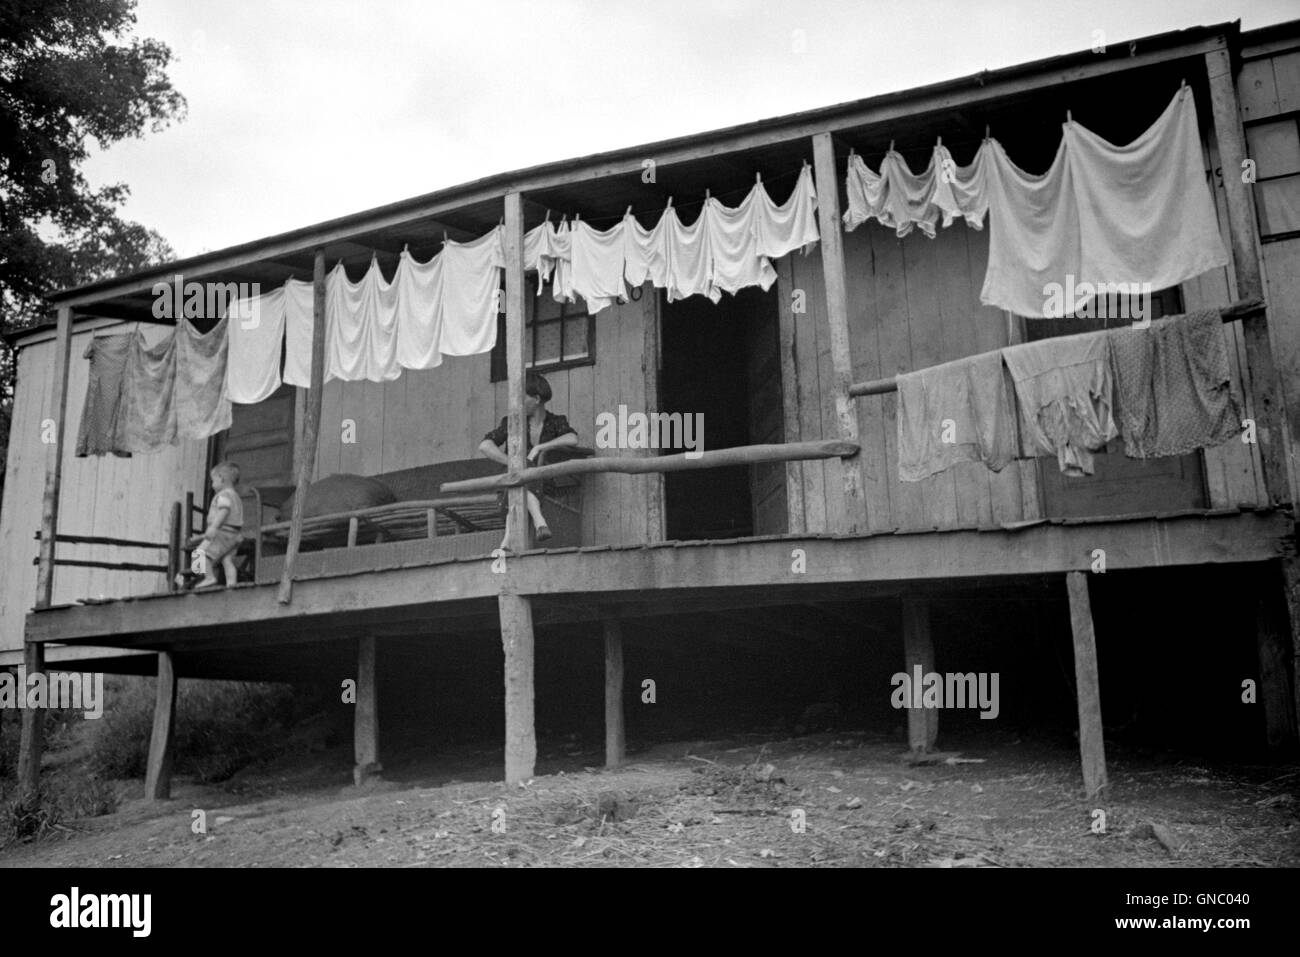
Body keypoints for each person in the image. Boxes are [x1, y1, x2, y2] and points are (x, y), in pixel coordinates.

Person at [478, 371, 579, 548]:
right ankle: (540, 522)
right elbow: (485, 445)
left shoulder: (556, 421)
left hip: (541, 482)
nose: (518, 402)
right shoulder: (511, 422)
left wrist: (541, 447)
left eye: (522, 397)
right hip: (512, 481)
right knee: (519, 476)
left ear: (537, 399)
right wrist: (511, 462)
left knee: (521, 479)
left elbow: (572, 439)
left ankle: (508, 540)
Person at [188, 461, 244, 588]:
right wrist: (201, 536)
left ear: (221, 478)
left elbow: (224, 510)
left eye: (213, 481)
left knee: (198, 554)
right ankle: (231, 585)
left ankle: (209, 577)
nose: (212, 485)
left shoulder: (223, 495)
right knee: (227, 561)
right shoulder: (236, 497)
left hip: (222, 533)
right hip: (235, 536)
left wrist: (214, 527)